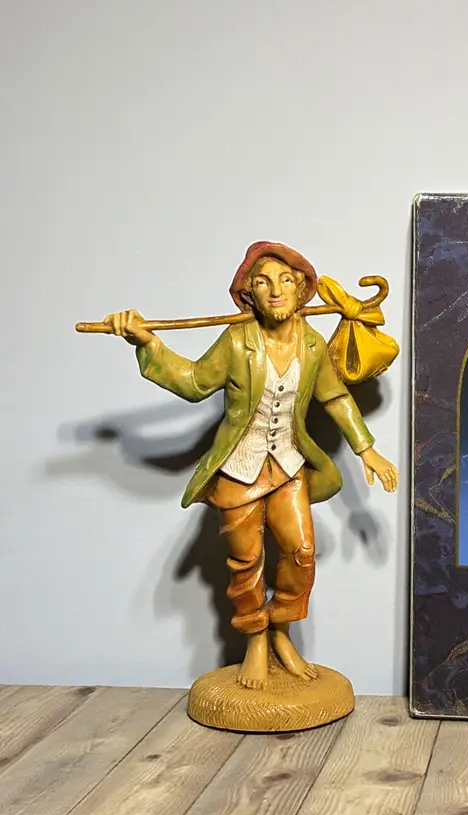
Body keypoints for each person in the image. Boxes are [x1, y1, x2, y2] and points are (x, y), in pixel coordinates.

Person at [104, 241, 398, 689]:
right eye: (263, 282)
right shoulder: (237, 341)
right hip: (239, 469)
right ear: (249, 295)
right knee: (247, 561)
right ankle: (255, 640)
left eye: (286, 281)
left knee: (301, 552)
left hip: (289, 465)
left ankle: (281, 632)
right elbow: (194, 382)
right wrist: (147, 342)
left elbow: (335, 396)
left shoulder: (312, 344)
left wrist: (366, 448)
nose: (276, 291)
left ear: (301, 291)